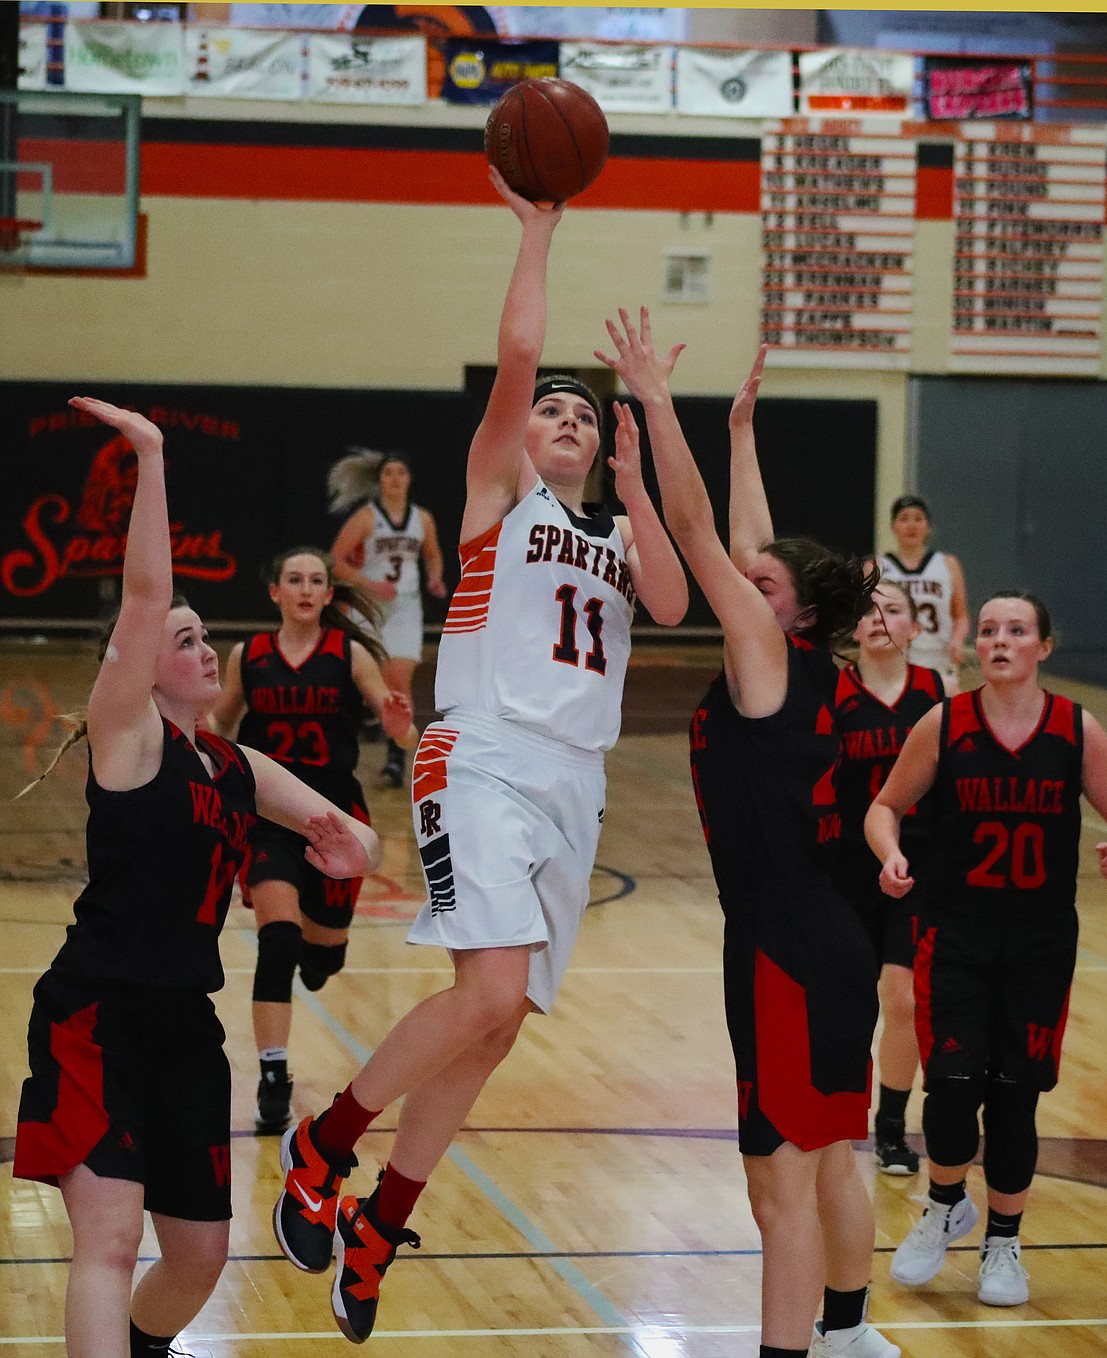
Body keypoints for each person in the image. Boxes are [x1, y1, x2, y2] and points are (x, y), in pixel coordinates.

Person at [272, 169, 689, 1345]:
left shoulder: (611, 523)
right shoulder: (501, 496)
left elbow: (664, 601)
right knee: (492, 990)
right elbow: (516, 359)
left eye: (581, 414)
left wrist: (640, 468)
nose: (562, 418)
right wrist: (538, 234)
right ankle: (325, 1145)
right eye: (553, 411)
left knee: (494, 1020)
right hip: (485, 750)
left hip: (577, 779)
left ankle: (380, 1215)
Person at [13, 399, 381, 1358]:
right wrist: (151, 455)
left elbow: (339, 828)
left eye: (204, 635)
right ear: (133, 669)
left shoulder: (232, 763)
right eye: (184, 640)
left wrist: (351, 845)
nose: (203, 646)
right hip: (97, 1015)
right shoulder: (127, 738)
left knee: (203, 1255)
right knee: (108, 1240)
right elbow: (143, 598)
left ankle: (139, 1347)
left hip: (184, 1024)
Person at [596, 327, 894, 1358]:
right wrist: (740, 434)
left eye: (760, 584)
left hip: (785, 950)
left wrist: (654, 398)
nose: (740, 586)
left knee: (779, 1191)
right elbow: (752, 538)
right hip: (820, 941)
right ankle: (851, 1334)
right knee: (827, 1161)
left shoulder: (769, 652)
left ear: (795, 611)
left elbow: (696, 530)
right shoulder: (800, 652)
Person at [866, 591, 1107, 1307]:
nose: (999, 640)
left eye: (1016, 631)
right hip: (954, 932)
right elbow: (884, 806)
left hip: (1039, 942)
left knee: (1015, 1102)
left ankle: (1004, 1243)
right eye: (988, 630)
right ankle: (943, 1205)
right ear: (975, 647)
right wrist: (890, 853)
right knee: (954, 1090)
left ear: (1043, 648)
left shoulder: (1077, 732)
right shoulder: (946, 723)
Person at [208, 547, 415, 1135]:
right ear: (275, 591)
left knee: (321, 960)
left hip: (336, 821)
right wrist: (198, 740)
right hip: (271, 818)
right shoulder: (247, 655)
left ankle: (324, 952)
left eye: (316, 580)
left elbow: (396, 726)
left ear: (329, 594)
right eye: (293, 578)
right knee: (278, 940)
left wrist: (400, 727)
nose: (305, 588)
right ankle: (274, 1076)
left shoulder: (349, 655)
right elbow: (222, 719)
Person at [830, 581, 946, 1177]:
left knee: (902, 999)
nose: (879, 619)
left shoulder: (936, 695)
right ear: (854, 629)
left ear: (913, 630)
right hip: (847, 868)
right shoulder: (833, 694)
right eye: (869, 611)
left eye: (893, 611)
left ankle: (892, 1127)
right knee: (845, 1001)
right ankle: (831, 1118)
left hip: (918, 867)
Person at [328, 448, 446, 787]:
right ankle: (368, 715)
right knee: (372, 680)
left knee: (399, 679)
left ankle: (396, 760)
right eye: (388, 473)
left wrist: (435, 578)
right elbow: (335, 561)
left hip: (406, 608)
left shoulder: (422, 518)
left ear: (409, 479)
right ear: (379, 480)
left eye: (400, 473)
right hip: (370, 606)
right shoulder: (366, 517)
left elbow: (433, 554)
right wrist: (369, 583)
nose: (394, 479)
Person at [878, 495, 969, 681]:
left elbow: (960, 616)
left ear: (928, 526)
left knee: (944, 708)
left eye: (918, 519)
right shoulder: (876, 567)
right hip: (893, 657)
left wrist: (957, 641)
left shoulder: (948, 564)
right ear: (893, 527)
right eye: (904, 519)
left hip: (938, 658)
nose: (912, 525)